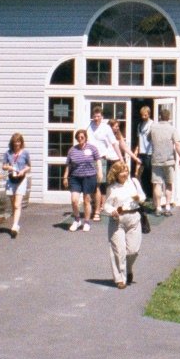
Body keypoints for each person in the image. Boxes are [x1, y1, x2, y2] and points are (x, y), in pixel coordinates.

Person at [103, 161, 146, 289]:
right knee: (118, 251)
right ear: (116, 173)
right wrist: (112, 211)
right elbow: (106, 205)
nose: (125, 173)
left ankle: (128, 269)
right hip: (118, 220)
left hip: (134, 217)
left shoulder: (134, 182)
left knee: (133, 251)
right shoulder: (112, 188)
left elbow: (143, 196)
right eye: (122, 171)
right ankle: (120, 279)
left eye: (126, 170)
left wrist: (139, 198)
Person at [84, 105, 121, 220]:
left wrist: (121, 158)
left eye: (98, 116)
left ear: (102, 116)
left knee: (98, 186)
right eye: (94, 116)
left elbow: (114, 143)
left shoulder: (106, 128)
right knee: (90, 186)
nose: (96, 118)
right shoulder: (89, 127)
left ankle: (97, 212)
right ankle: (93, 207)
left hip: (101, 159)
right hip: (89, 159)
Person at [146, 106, 180, 214]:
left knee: (157, 184)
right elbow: (177, 144)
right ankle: (167, 206)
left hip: (156, 159)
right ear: (168, 118)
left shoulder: (153, 127)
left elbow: (148, 139)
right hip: (169, 160)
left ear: (160, 117)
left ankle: (158, 207)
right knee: (169, 183)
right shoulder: (172, 129)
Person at [63, 129, 100, 231]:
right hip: (75, 177)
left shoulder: (92, 148)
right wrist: (65, 176)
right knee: (74, 200)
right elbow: (68, 165)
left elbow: (98, 160)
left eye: (82, 137)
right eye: (78, 137)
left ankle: (87, 222)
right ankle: (77, 219)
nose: (80, 139)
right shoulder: (72, 150)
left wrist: (100, 172)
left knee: (86, 200)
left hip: (89, 177)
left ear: (86, 137)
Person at [1, 132, 31, 238]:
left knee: (17, 204)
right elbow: (4, 166)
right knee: (13, 203)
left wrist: (23, 171)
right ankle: (15, 221)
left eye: (18, 142)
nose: (16, 144)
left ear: (21, 142)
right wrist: (9, 167)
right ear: (12, 143)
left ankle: (14, 226)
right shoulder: (8, 153)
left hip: (21, 179)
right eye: (15, 142)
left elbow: (29, 166)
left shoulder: (25, 153)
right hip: (11, 179)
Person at [132, 104, 154, 202]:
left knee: (149, 173)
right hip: (141, 152)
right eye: (142, 115)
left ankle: (150, 195)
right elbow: (139, 140)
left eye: (145, 115)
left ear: (149, 114)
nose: (143, 117)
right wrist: (136, 152)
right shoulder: (140, 125)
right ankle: (142, 194)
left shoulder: (152, 124)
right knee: (139, 174)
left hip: (149, 152)